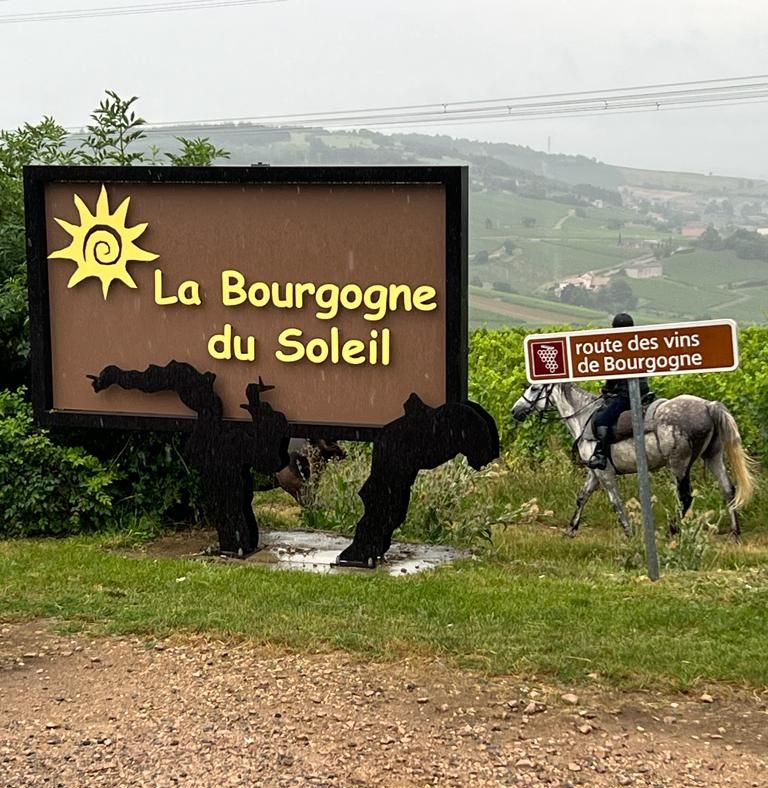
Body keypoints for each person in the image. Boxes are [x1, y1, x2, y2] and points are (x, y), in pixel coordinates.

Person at [587, 312, 653, 470]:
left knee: (601, 420)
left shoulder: (619, 347)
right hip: (644, 391)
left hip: (627, 395)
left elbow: (614, 374)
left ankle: (601, 456)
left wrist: (607, 389)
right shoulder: (640, 343)